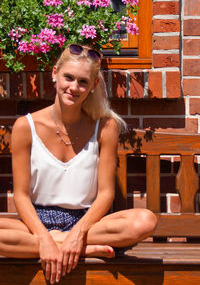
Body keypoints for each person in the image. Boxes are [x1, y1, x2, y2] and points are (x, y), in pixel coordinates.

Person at [0, 44, 157, 284]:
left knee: (146, 221)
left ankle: (66, 244)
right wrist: (44, 237)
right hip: (37, 224)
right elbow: (20, 196)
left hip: (88, 223)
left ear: (93, 86)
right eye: (68, 77)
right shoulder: (25, 126)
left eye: (83, 82)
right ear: (55, 74)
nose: (74, 87)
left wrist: (78, 234)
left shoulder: (105, 127)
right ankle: (84, 250)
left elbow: (106, 194)